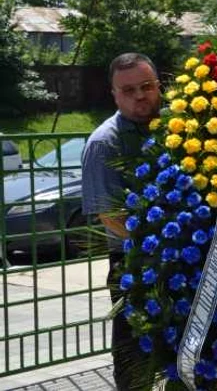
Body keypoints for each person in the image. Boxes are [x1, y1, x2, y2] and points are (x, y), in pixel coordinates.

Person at [81, 52, 161, 390]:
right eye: (128, 90)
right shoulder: (104, 143)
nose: (140, 96)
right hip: (133, 264)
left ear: (159, 85)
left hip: (184, 257)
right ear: (114, 94)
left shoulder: (177, 126)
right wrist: (161, 242)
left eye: (146, 86)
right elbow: (109, 215)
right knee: (135, 358)